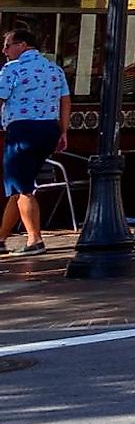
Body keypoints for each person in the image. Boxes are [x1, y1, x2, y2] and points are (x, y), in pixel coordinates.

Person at [0, 25, 72, 255]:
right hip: (48, 129)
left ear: (23, 45)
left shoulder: (12, 69)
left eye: (8, 45)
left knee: (23, 188)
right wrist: (63, 131)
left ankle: (34, 239)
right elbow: (65, 101)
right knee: (20, 185)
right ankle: (1, 237)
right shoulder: (54, 69)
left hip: (22, 130)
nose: (4, 50)